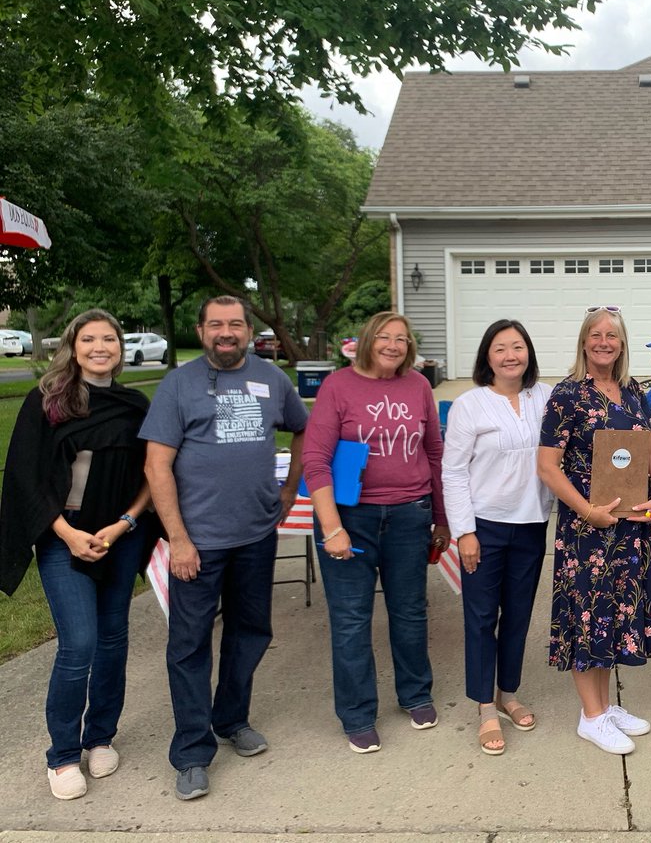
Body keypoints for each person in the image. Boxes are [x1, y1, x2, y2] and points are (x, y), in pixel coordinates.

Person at [141, 296, 307, 800]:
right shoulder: (177, 385)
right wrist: (179, 539)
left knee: (250, 632)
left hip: (255, 535)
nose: (226, 332)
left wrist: (288, 489)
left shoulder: (273, 379)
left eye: (235, 324)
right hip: (199, 544)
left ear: (248, 330)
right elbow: (156, 467)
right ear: (201, 330)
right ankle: (192, 753)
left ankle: (232, 718)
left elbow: (303, 428)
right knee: (189, 647)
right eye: (216, 324)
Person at [0, 310, 156, 800]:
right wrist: (67, 533)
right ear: (72, 345)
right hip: (62, 537)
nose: (99, 346)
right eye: (88, 339)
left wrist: (124, 523)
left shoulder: (134, 405)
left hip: (119, 536)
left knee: (113, 640)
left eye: (109, 338)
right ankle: (63, 755)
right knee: (79, 646)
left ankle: (100, 737)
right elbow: (25, 476)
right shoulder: (46, 403)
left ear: (120, 347)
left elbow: (154, 474)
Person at [303, 311, 449, 755]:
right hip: (352, 518)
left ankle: (415, 694)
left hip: (409, 514)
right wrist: (332, 529)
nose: (393, 345)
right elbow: (315, 460)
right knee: (351, 620)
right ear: (367, 340)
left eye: (402, 339)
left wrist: (441, 519)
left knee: (410, 611)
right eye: (385, 337)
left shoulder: (418, 386)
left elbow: (435, 453)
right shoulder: (337, 386)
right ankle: (357, 713)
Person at [537, 306, 651, 755]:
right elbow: (548, 467)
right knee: (586, 613)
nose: (604, 341)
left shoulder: (633, 392)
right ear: (584, 341)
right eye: (596, 334)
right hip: (586, 530)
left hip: (629, 526)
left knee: (612, 615)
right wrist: (587, 511)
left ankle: (605, 706)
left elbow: (649, 443)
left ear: (623, 343)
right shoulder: (567, 395)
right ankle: (591, 717)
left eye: (612, 335)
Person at [442, 319, 553, 756]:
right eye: (501, 348)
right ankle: (485, 706)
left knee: (520, 615)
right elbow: (452, 472)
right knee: (482, 617)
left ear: (529, 353)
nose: (511, 355)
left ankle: (508, 692)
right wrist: (463, 532)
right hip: (484, 526)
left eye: (518, 347)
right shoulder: (470, 405)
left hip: (531, 524)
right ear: (487, 356)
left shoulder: (544, 397)